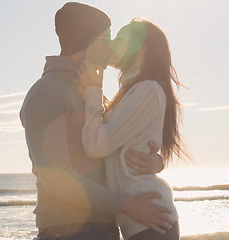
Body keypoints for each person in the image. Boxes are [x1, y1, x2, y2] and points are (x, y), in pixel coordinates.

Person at [19, 3, 174, 240]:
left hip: (104, 227)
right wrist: (128, 205)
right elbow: (57, 179)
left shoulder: (92, 90)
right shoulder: (47, 93)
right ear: (88, 41)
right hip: (68, 230)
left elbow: (115, 145)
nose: (111, 45)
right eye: (107, 37)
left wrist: (155, 161)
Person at [78, 18, 190, 240]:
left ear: (141, 48)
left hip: (152, 223)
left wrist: (92, 90)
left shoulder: (147, 91)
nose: (111, 43)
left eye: (120, 38)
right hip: (142, 224)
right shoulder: (131, 93)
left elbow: (95, 146)